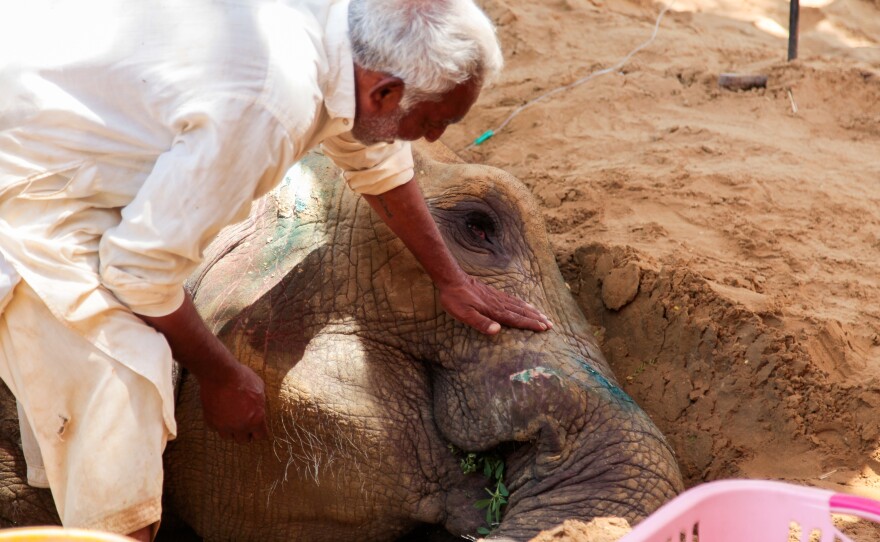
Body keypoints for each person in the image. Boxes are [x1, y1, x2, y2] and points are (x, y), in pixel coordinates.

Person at [0, 0, 553, 539]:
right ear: (383, 90)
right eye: (433, 121)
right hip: (30, 177)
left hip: (71, 100)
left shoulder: (340, 34)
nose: (434, 138)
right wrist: (221, 376)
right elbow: (140, 267)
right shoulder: (269, 104)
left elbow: (375, 156)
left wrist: (450, 278)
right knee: (123, 382)